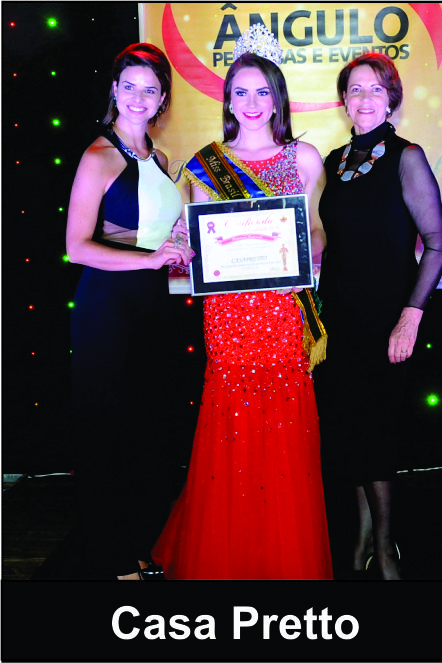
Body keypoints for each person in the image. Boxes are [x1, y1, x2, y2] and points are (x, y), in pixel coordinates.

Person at [151, 24, 333, 579]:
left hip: (282, 310)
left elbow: (318, 229)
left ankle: (282, 556)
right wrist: (179, 243)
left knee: (283, 430)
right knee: (229, 426)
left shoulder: (304, 157)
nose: (251, 103)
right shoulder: (205, 164)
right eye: (240, 93)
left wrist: (308, 255)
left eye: (262, 92)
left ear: (278, 98)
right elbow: (190, 235)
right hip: (228, 315)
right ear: (227, 100)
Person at [314, 53, 442, 580]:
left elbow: (437, 243)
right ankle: (363, 540)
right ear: (343, 101)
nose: (365, 98)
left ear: (391, 98)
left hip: (388, 320)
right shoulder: (333, 162)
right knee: (350, 431)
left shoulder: (406, 156)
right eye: (355, 89)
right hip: (338, 320)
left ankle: (387, 548)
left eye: (375, 89)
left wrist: (411, 316)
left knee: (379, 433)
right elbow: (327, 240)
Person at [66, 43, 194, 580]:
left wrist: (178, 244)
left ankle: (137, 548)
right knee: (109, 432)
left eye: (150, 89)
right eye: (130, 87)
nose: (139, 98)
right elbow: (77, 247)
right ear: (114, 91)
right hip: (107, 306)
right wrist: (149, 260)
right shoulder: (98, 156)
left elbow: (153, 236)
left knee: (147, 429)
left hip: (151, 305)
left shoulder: (159, 160)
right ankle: (112, 557)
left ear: (163, 98)